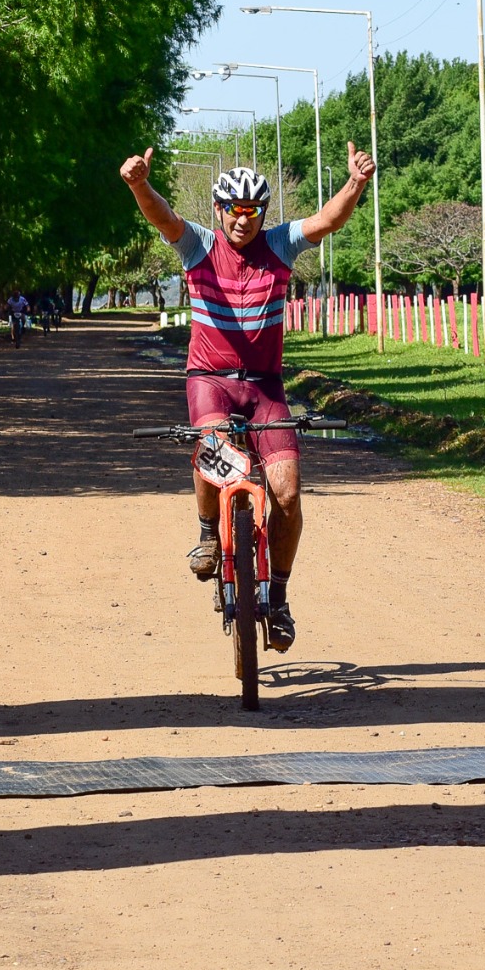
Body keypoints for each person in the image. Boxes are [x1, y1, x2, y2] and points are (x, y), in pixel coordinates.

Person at [120, 145, 374, 654]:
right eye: (233, 210)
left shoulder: (279, 245)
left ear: (262, 213)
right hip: (209, 379)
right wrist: (138, 185)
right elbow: (164, 217)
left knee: (287, 491)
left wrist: (355, 185)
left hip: (264, 386)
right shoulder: (199, 246)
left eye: (252, 210)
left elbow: (327, 221)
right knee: (211, 442)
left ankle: (277, 599)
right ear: (219, 211)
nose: (243, 219)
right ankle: (209, 532)